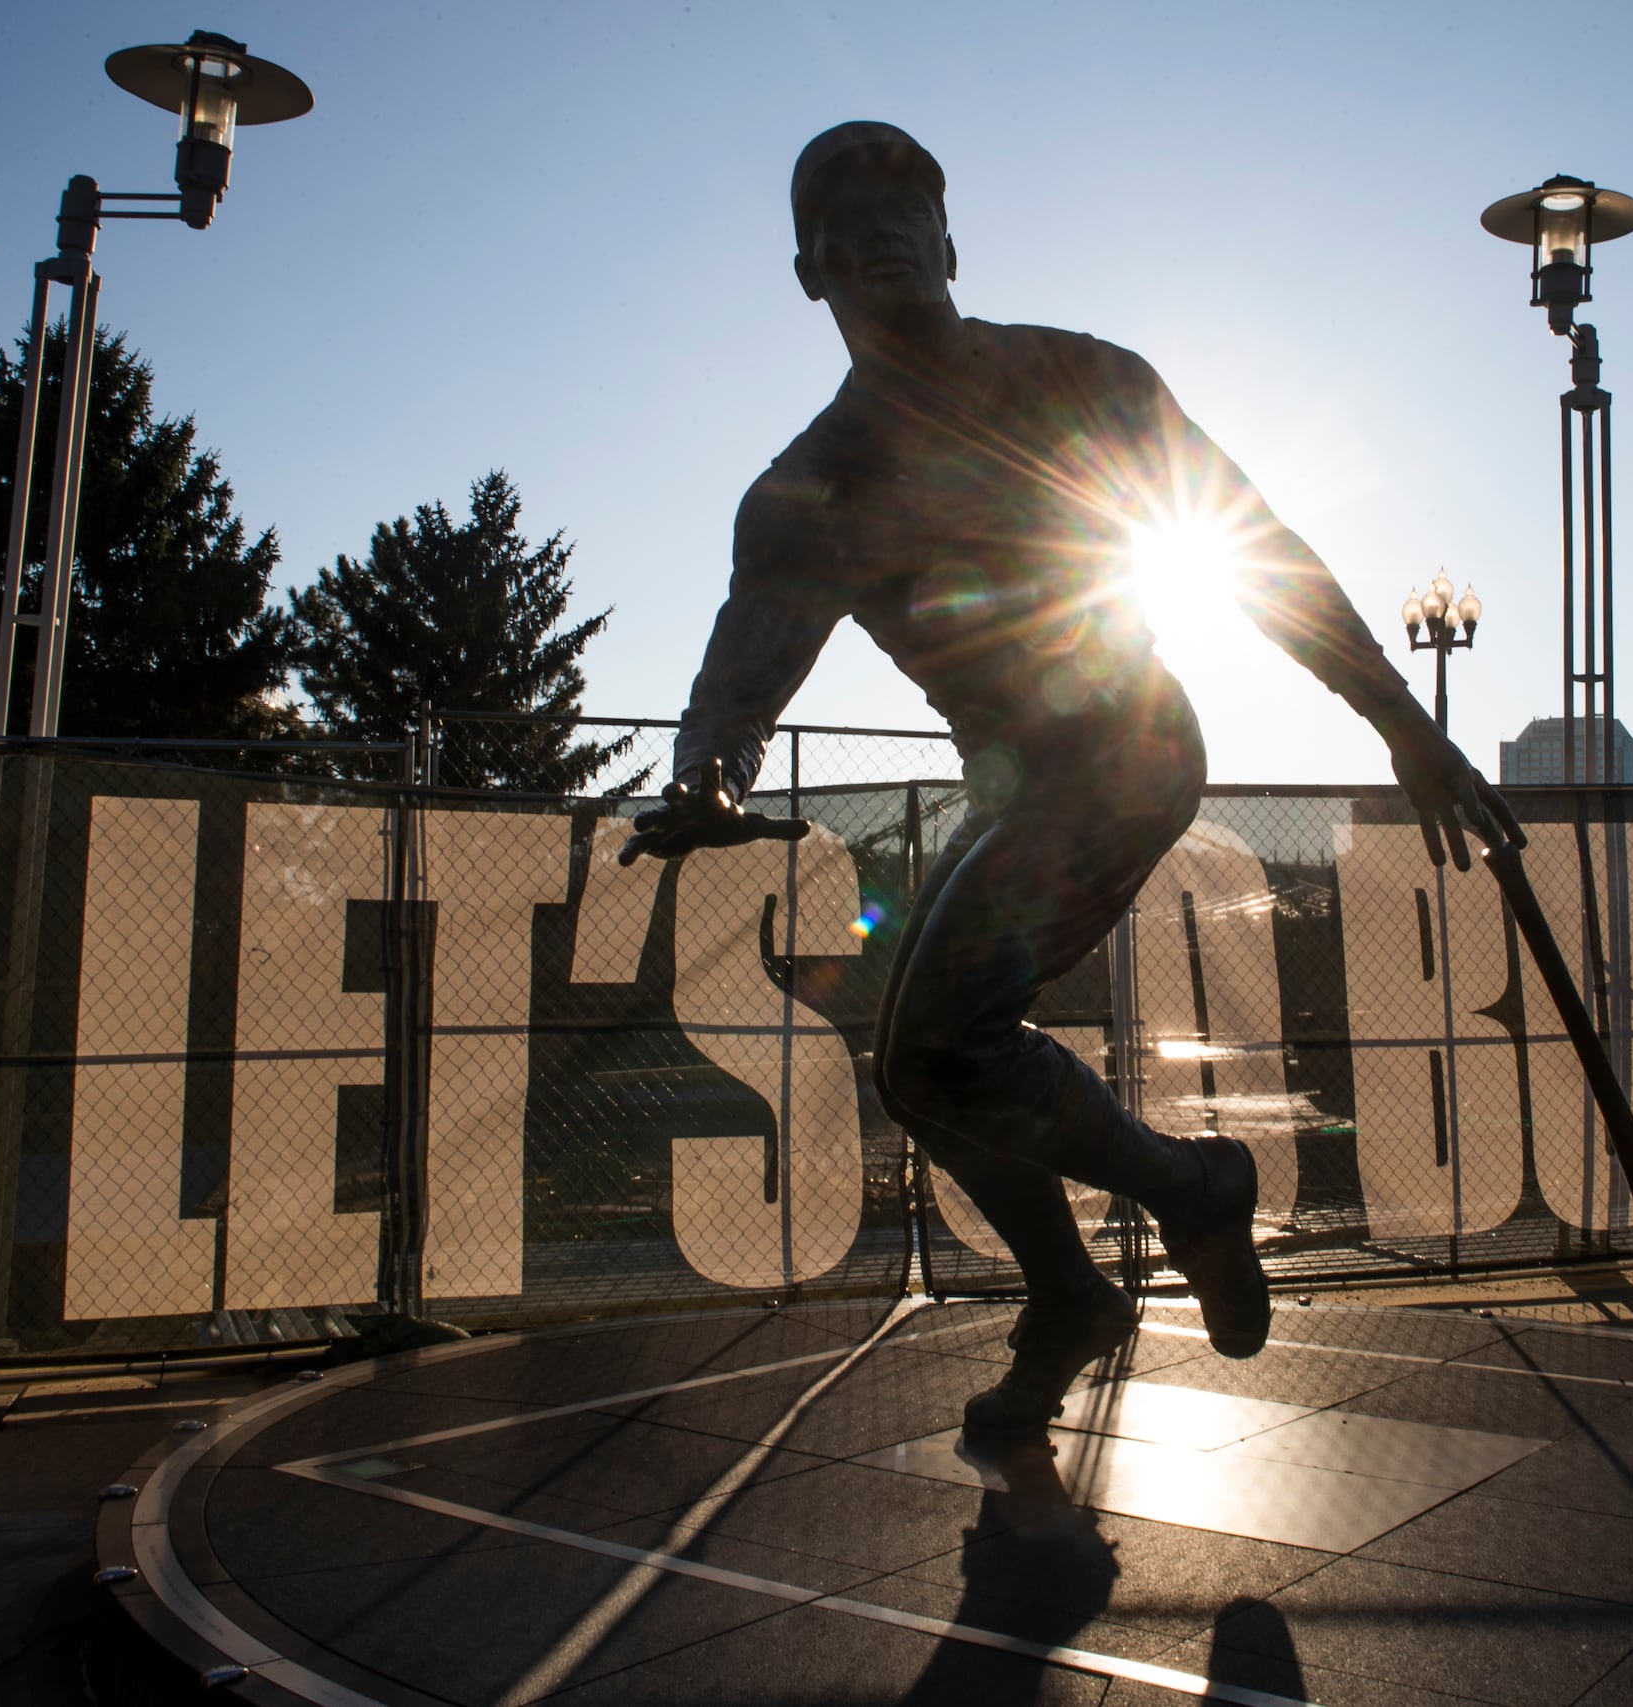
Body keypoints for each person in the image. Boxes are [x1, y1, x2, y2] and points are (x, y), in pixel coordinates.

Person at [622, 121, 1517, 1436]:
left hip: (1129, 740)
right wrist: (708, 774)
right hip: (1015, 789)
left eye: (904, 206)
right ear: (808, 273)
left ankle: (1186, 1193)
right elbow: (744, 668)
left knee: (941, 1041)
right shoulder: (812, 488)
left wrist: (1400, 718)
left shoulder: (1084, 378)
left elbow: (1251, 546)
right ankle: (1071, 1290)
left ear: (950, 243)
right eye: (841, 220)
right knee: (922, 1072)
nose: (875, 230)